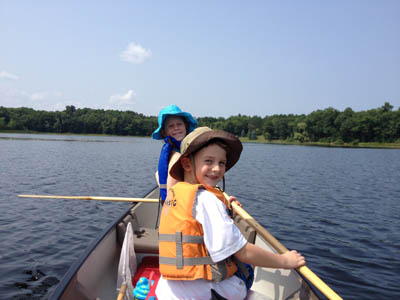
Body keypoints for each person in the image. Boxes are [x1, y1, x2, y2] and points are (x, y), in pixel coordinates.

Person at [156, 127, 306, 300]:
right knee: (245, 270)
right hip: (201, 293)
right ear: (187, 164)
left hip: (168, 291)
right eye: (209, 161)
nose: (216, 169)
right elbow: (243, 253)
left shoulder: (176, 192)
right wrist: (285, 261)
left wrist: (225, 205)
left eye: (221, 163)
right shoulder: (207, 200)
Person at [152, 105, 198, 203]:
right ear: (164, 132)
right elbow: (172, 193)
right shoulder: (176, 156)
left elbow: (157, 174)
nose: (176, 128)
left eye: (179, 124)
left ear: (185, 126)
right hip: (179, 205)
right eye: (171, 126)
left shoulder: (180, 150)